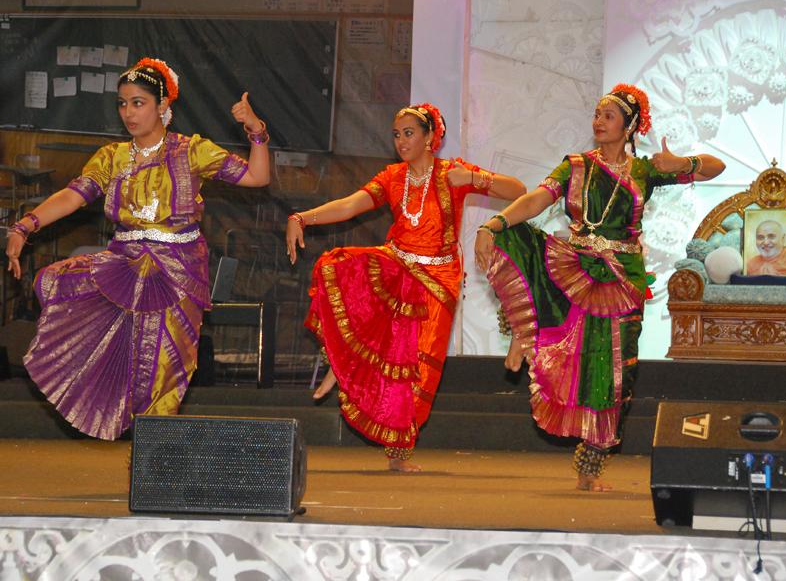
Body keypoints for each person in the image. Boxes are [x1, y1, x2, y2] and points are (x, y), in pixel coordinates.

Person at [474, 84, 725, 491]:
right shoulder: (576, 166)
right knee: (562, 335)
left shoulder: (645, 170)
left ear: (629, 126)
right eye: (596, 114)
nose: (598, 121)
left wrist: (684, 162)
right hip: (576, 268)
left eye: (608, 116)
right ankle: (528, 332)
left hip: (623, 278)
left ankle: (590, 465)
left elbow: (716, 167)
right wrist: (493, 223)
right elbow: (537, 200)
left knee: (616, 371)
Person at [5, 57, 270, 440]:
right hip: (124, 269)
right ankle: (124, 422)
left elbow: (258, 176)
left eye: (138, 102)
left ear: (163, 105)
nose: (128, 112)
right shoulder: (112, 157)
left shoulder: (191, 151)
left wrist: (255, 130)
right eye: (122, 103)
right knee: (55, 284)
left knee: (164, 369)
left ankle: (153, 456)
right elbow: (73, 195)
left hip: (177, 274)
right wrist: (26, 224)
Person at [286, 103, 526, 472]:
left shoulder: (452, 173)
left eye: (409, 133)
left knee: (419, 366)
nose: (401, 141)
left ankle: (398, 450)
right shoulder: (393, 177)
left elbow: (518, 190)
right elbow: (350, 206)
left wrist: (475, 179)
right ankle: (343, 363)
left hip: (439, 280)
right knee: (340, 269)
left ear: (431, 137)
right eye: (397, 134)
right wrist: (303, 217)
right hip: (397, 266)